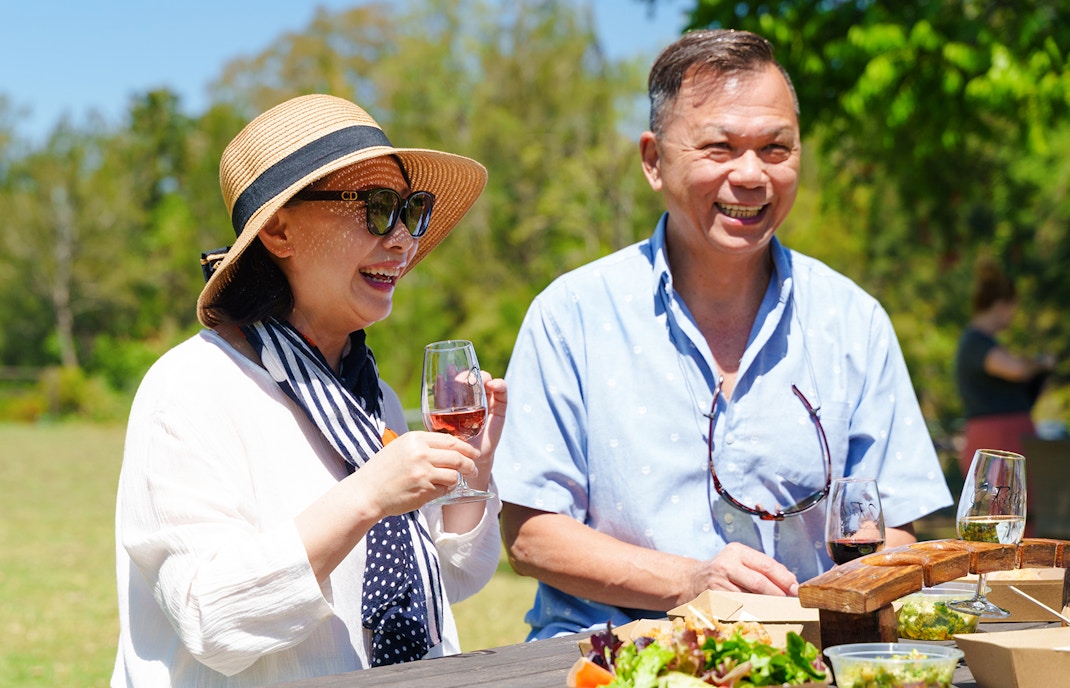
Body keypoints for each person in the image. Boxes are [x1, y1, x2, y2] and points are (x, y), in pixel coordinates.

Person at [492, 29, 953, 640]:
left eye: (775, 148)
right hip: (606, 661)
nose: (752, 174)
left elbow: (893, 526)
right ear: (653, 160)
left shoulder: (853, 320)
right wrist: (689, 583)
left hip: (801, 661)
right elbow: (530, 534)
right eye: (720, 147)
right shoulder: (571, 314)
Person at [112, 94, 506, 686]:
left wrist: (472, 471)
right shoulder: (189, 388)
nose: (403, 240)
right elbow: (211, 618)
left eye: (412, 210)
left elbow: (449, 582)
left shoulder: (374, 396)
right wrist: (369, 494)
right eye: (376, 208)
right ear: (278, 231)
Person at [955, 257, 1054, 527]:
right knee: (999, 519)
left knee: (1021, 517)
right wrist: (1042, 363)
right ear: (1000, 305)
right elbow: (1016, 369)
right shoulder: (976, 342)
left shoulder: (984, 342)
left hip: (1008, 436)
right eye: (1012, 307)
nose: (1013, 315)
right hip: (996, 439)